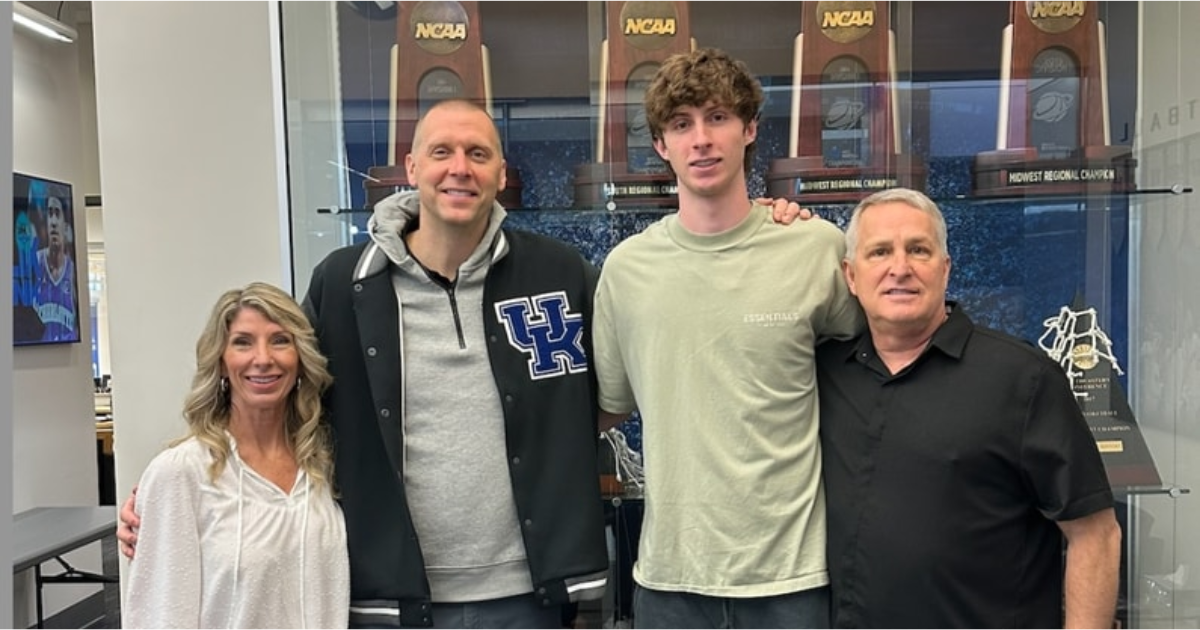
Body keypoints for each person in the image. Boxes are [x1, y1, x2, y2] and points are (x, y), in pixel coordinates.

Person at [593, 47, 863, 629]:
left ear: (749, 129)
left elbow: (876, 375)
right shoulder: (626, 270)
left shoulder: (816, 250)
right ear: (661, 145)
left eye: (717, 117)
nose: (702, 140)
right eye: (681, 124)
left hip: (793, 582)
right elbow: (607, 410)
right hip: (670, 581)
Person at [818, 187, 1122, 628]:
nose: (899, 268)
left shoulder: (1023, 379)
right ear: (850, 275)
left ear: (945, 269)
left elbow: (1096, 535)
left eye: (918, 250)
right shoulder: (826, 372)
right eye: (879, 252)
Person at [122, 282, 349, 628]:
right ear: (221, 362)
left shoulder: (322, 464)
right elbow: (158, 616)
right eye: (243, 342)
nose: (263, 359)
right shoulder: (181, 473)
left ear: (301, 358)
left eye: (280, 340)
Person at [35, 193, 78, 342]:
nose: (53, 221)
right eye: (50, 214)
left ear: (65, 226)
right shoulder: (35, 262)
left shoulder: (72, 272)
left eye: (57, 214)